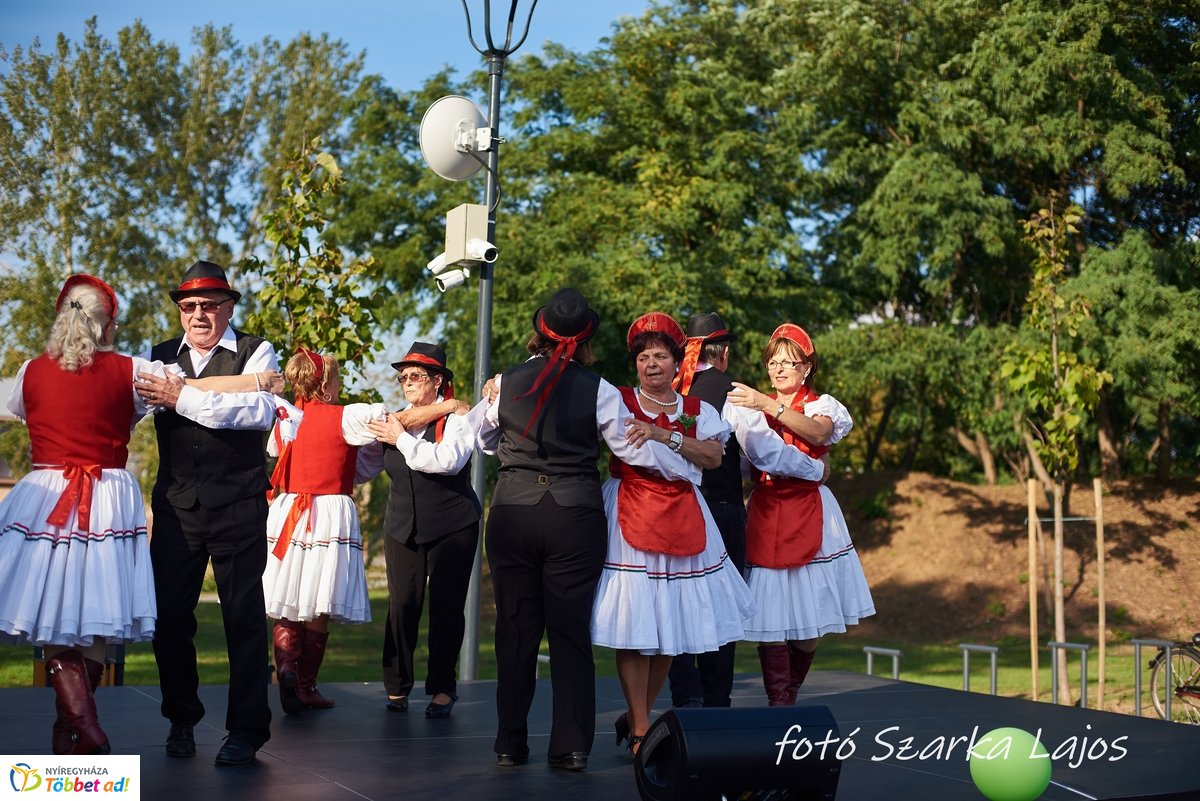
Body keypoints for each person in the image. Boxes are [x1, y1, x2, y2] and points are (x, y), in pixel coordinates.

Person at [477, 288, 687, 772]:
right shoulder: (601, 390)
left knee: (515, 630)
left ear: (540, 332)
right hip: (573, 514)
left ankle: (510, 742)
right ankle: (570, 746)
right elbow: (630, 448)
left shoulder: (504, 383)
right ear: (584, 339)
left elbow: (483, 438)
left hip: (513, 510)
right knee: (569, 632)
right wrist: (685, 466)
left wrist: (508, 429)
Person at [0, 274, 158, 755]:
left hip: (45, 496)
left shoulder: (30, 371)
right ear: (107, 326)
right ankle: (83, 726)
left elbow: (16, 407)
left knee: (55, 608)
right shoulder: (133, 370)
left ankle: (75, 729)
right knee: (97, 611)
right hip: (107, 494)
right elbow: (174, 394)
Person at [134, 260, 281, 766]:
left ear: (229, 308)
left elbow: (256, 413)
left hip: (238, 503)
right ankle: (181, 717)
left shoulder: (256, 350)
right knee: (170, 616)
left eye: (209, 305)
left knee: (243, 618)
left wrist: (181, 397)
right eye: (189, 306)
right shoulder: (156, 357)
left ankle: (247, 730)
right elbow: (133, 404)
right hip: (177, 507)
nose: (198, 314)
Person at [589, 312, 754, 756]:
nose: (651, 364)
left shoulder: (697, 410)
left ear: (679, 362)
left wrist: (663, 435)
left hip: (683, 512)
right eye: (643, 357)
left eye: (660, 356)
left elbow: (714, 457)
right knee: (635, 621)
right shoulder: (620, 400)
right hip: (631, 509)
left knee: (669, 624)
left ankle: (638, 716)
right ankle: (641, 726)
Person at [727, 322, 875, 705]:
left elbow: (820, 434)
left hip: (810, 509)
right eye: (773, 362)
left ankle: (789, 691)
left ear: (806, 368)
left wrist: (769, 406)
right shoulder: (751, 407)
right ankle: (779, 700)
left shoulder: (819, 404)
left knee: (811, 621)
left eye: (788, 362)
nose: (779, 369)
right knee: (771, 612)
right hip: (766, 507)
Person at [356, 343, 479, 719]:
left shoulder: (457, 420)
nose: (407, 382)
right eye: (403, 377)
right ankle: (396, 686)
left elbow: (446, 461)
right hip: (402, 525)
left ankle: (442, 688)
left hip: (452, 525)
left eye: (416, 376)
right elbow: (366, 466)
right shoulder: (395, 420)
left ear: (437, 380)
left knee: (446, 608)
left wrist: (401, 438)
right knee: (402, 606)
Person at [261, 348, 386, 714]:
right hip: (329, 510)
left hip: (289, 509)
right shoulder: (345, 416)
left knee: (290, 594)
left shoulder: (285, 419)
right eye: (337, 380)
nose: (340, 386)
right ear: (326, 386)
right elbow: (386, 420)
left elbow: (277, 452)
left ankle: (287, 668)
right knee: (320, 597)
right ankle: (306, 684)